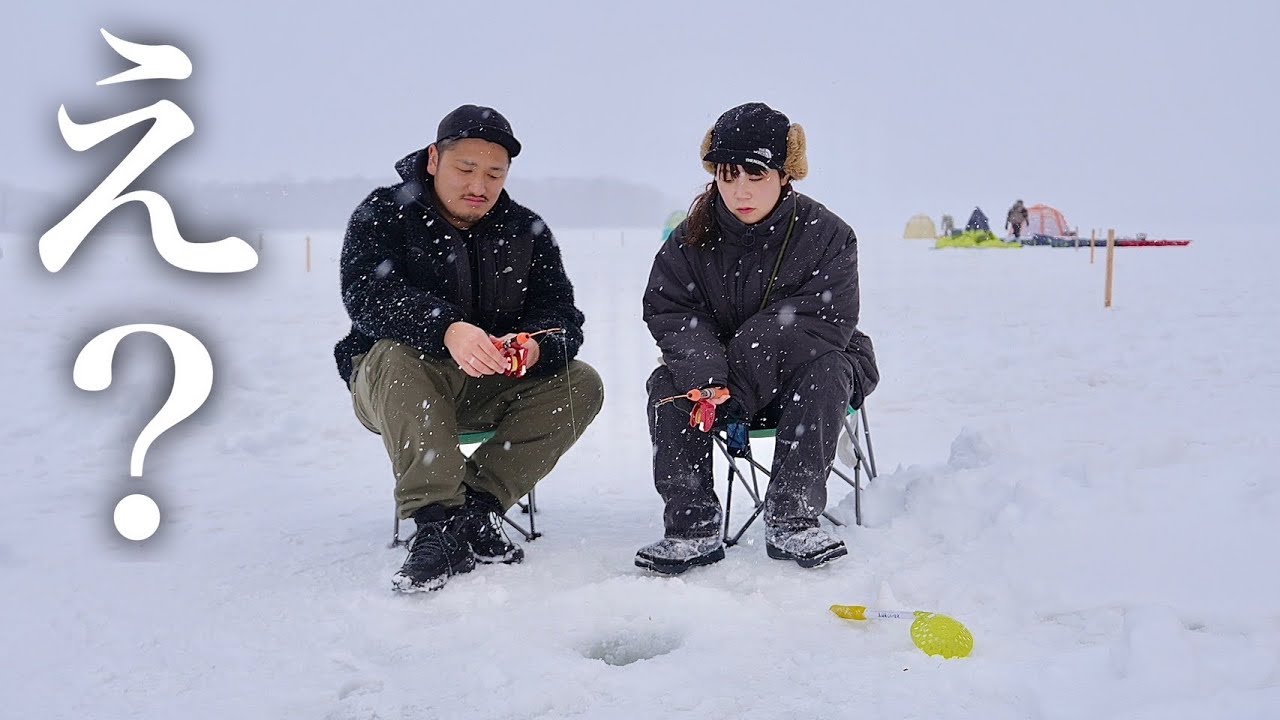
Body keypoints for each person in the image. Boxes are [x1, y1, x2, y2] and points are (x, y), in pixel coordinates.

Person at [334, 104, 605, 593]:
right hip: (394, 383)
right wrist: (447, 329)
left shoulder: (527, 230)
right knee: (399, 359)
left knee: (581, 382)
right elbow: (367, 299)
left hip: (489, 382)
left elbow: (561, 316)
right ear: (435, 159)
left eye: (494, 173)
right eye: (465, 168)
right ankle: (435, 522)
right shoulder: (383, 213)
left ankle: (476, 512)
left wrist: (538, 346)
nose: (479, 184)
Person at [635, 102, 879, 574]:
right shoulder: (688, 240)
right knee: (666, 387)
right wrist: (708, 378)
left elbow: (822, 320)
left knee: (829, 371)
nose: (740, 190)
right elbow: (673, 313)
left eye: (755, 174)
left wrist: (737, 377)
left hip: (803, 375)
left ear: (786, 174)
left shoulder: (829, 235)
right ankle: (692, 528)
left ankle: (793, 518)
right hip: (718, 379)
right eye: (728, 176)